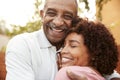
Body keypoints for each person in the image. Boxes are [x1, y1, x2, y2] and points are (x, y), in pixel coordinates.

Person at [5, 0, 120, 80]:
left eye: (67, 16)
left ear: (75, 20)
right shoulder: (23, 45)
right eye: (51, 13)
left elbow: (109, 73)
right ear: (42, 15)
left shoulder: (81, 41)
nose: (58, 22)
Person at [55, 19, 120, 80]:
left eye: (73, 46)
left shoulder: (67, 73)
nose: (63, 51)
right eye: (63, 46)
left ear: (94, 53)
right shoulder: (99, 77)